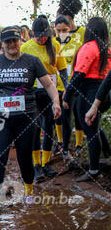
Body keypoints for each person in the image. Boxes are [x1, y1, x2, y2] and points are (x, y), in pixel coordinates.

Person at [0, 26, 61, 215]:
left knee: (24, 157)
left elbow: (48, 84)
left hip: (27, 115)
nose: (12, 44)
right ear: (2, 44)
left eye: (15, 40)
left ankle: (28, 192)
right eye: (8, 41)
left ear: (20, 41)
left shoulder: (32, 61)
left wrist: (56, 102)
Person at [21, 15, 68, 182]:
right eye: (39, 35)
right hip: (33, 91)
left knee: (49, 126)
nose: (42, 39)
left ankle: (46, 162)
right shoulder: (26, 47)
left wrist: (66, 90)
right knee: (34, 128)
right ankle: (36, 165)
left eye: (45, 35)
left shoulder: (55, 45)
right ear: (33, 33)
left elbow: (62, 70)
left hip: (52, 90)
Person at [63, 17, 111, 181]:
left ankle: (94, 170)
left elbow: (78, 75)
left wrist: (67, 95)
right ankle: (107, 154)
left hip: (89, 92)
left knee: (90, 130)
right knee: (95, 125)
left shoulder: (89, 47)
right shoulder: (107, 49)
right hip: (104, 93)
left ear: (90, 30)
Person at [56, 0, 86, 156]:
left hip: (79, 81)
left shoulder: (83, 33)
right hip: (61, 82)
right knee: (62, 116)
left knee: (79, 114)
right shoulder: (56, 36)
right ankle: (62, 145)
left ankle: (80, 145)